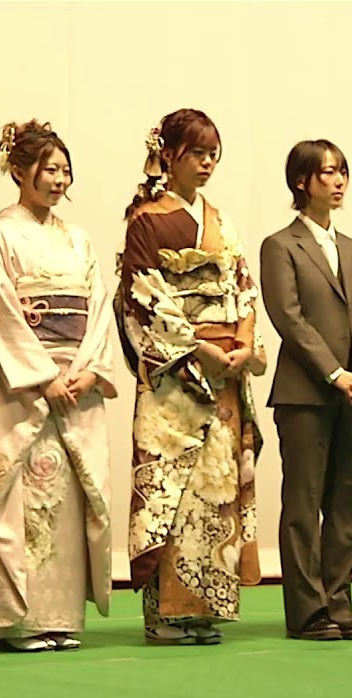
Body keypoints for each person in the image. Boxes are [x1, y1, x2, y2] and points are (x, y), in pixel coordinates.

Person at [117, 109, 265, 645]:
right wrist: (197, 347)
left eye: (212, 155)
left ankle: (207, 607)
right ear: (168, 155)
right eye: (196, 153)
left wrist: (243, 342)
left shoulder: (221, 220)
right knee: (174, 493)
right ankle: (167, 613)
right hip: (177, 377)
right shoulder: (145, 220)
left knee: (216, 488)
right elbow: (142, 296)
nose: (206, 164)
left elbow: (243, 287)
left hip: (224, 373)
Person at [0, 120, 116, 651]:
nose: (59, 180)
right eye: (49, 169)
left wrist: (88, 370)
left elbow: (99, 308)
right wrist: (43, 375)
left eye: (64, 170)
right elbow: (0, 309)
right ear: (19, 170)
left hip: (76, 380)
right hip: (27, 387)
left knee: (70, 502)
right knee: (20, 501)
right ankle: (17, 622)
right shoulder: (0, 235)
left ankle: (61, 618)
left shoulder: (79, 239)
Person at [261, 139, 352, 641]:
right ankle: (308, 611)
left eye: (342, 172)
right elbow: (289, 318)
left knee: (347, 503)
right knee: (303, 503)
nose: (337, 181)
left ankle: (339, 601)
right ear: (301, 181)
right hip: (305, 394)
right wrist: (336, 373)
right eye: (327, 172)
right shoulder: (280, 245)